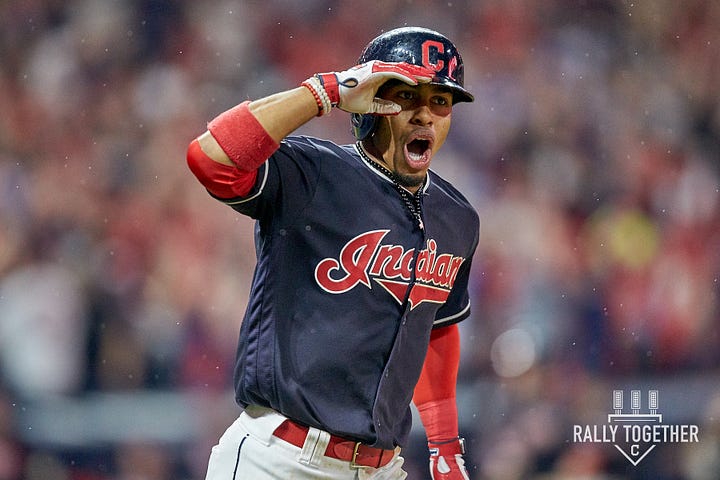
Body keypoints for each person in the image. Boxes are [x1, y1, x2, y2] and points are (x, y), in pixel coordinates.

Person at [186, 26, 478, 480]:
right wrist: (324, 92)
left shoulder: (457, 217)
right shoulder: (315, 172)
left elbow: (435, 325)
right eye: (406, 96)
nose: (425, 115)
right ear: (373, 103)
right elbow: (211, 158)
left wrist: (442, 441)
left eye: (439, 101)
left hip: (381, 468)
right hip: (279, 458)